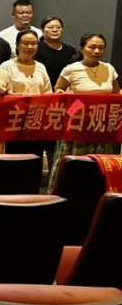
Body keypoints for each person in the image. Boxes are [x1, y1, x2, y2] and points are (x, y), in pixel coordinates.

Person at [50, 33, 121, 190]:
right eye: (92, 47)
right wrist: (65, 95)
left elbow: (116, 93)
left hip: (100, 123)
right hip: (76, 120)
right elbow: (58, 90)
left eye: (101, 48)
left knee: (99, 164)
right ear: (81, 48)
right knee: (74, 163)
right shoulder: (71, 69)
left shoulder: (109, 68)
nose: (97, 51)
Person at [0, 30, 54, 162]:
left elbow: (47, 91)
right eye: (25, 43)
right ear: (17, 45)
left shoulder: (40, 67)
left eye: (34, 43)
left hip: (36, 122)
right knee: (13, 159)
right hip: (14, 121)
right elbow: (1, 93)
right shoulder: (7, 66)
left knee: (34, 158)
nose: (30, 47)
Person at [35, 16, 77, 89]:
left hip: (64, 91)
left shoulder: (70, 50)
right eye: (50, 27)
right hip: (42, 90)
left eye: (58, 27)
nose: (55, 30)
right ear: (42, 30)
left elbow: (74, 74)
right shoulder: (35, 48)